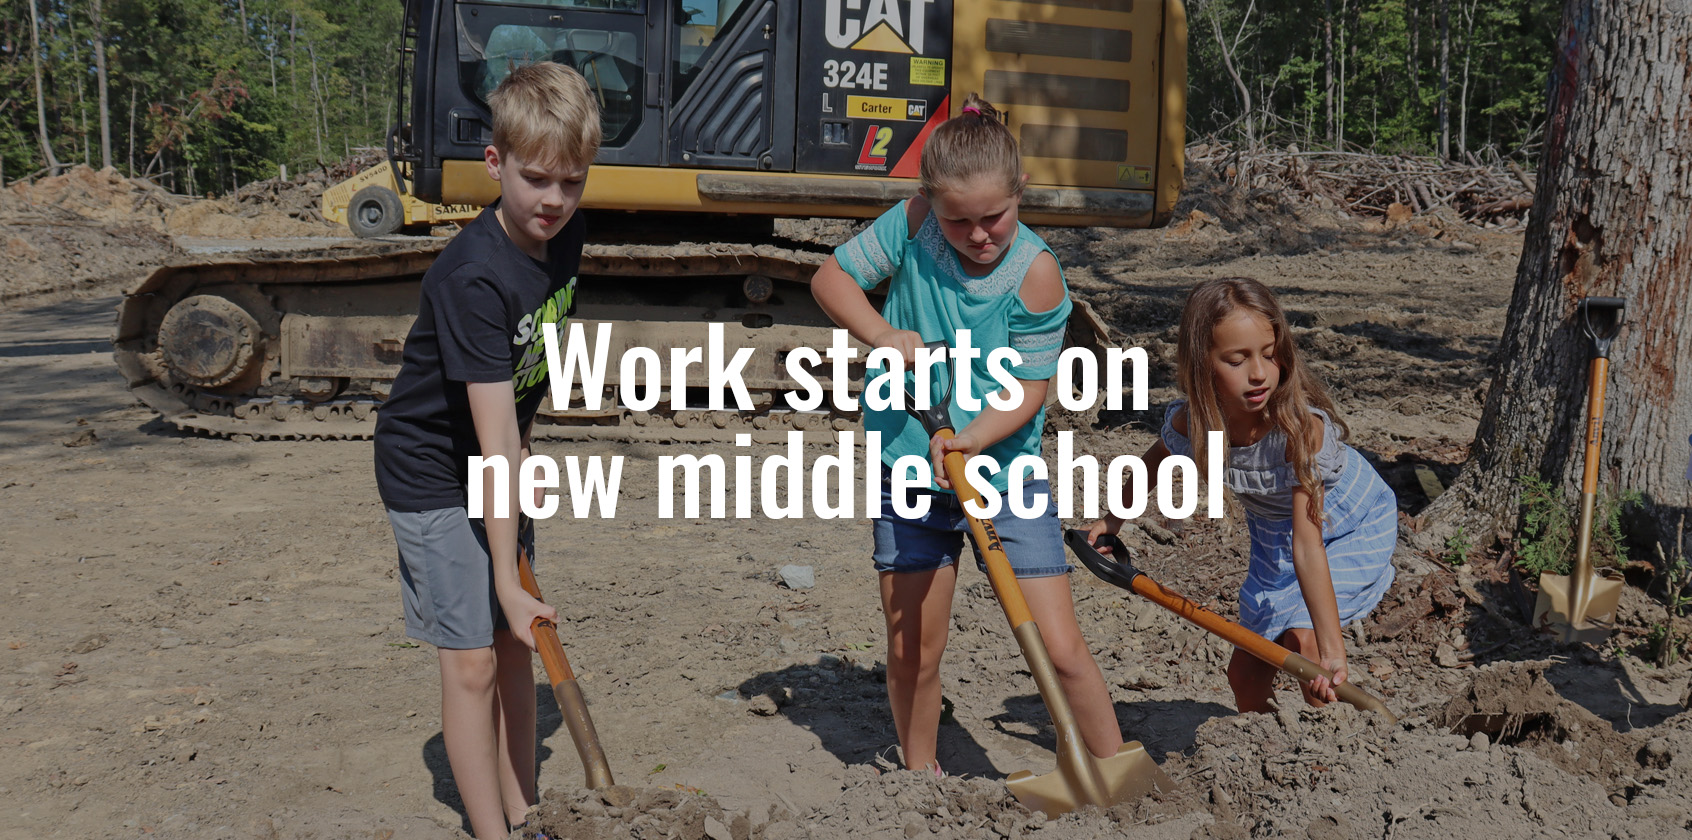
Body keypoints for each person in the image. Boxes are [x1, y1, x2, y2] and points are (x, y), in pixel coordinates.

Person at [811, 94, 1124, 775]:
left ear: (1021, 193)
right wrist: (884, 334)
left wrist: (973, 440)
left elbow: (1029, 391)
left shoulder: (1036, 274)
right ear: (931, 202)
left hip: (1004, 476)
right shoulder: (914, 225)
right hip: (911, 467)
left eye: (994, 217)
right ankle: (919, 780)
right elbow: (829, 279)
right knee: (913, 648)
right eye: (960, 221)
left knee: (1058, 644)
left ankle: (1114, 767)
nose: (979, 235)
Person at [372, 62, 599, 839]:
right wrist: (504, 572)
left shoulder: (562, 243)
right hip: (432, 467)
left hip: (496, 453)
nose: (555, 201)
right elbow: (487, 432)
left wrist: (527, 451)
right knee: (472, 658)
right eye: (537, 179)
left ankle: (527, 812)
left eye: (572, 181)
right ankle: (491, 832)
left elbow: (522, 380)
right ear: (495, 165)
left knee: (516, 644)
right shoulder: (474, 277)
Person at [1085, 277, 1397, 713]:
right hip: (1277, 539)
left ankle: (1333, 758)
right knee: (1245, 675)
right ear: (1202, 365)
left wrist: (1333, 650)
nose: (1258, 373)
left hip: (1347, 525)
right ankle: (1262, 748)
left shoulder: (1297, 431)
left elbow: (1309, 548)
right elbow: (1154, 460)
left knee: (1306, 650)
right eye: (1237, 359)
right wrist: (1110, 521)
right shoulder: (1196, 423)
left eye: (1269, 356)